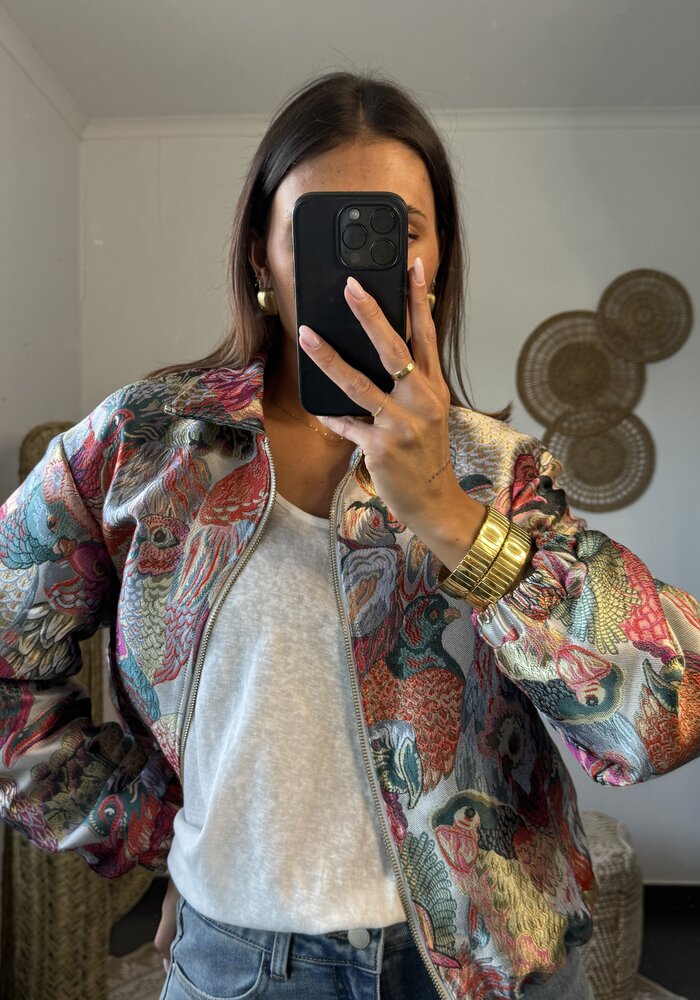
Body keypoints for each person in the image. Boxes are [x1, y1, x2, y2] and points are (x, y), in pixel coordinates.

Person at [1, 71, 699, 1000]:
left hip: (493, 968)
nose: (362, 263)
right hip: (239, 965)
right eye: (320, 228)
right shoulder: (144, 446)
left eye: (397, 229)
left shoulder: (503, 473)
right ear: (262, 256)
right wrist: (151, 832)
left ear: (438, 258)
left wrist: (449, 513)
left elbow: (663, 717)